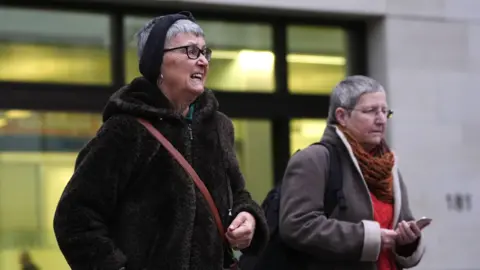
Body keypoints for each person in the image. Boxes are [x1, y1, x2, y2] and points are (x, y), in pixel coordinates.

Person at [53, 11, 268, 270]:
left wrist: (249, 217)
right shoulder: (125, 130)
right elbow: (75, 216)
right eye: (190, 51)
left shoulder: (219, 126)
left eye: (204, 52)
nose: (202, 61)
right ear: (158, 63)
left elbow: (238, 194)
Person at [279, 75, 426, 269]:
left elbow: (402, 224)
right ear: (342, 116)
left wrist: (408, 242)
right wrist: (368, 238)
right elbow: (297, 225)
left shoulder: (387, 165)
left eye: (385, 111)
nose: (381, 120)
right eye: (371, 111)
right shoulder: (314, 159)